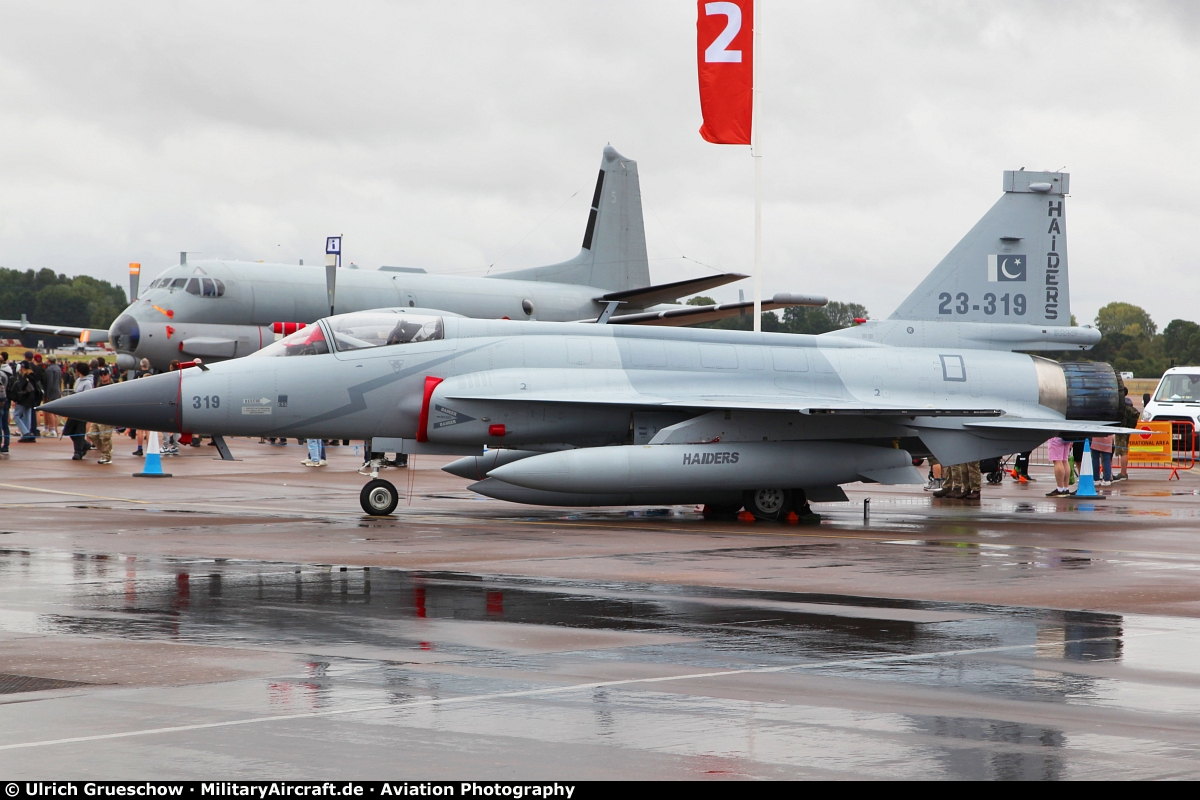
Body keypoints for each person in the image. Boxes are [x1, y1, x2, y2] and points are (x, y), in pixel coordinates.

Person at [63, 362, 93, 460]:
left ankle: (78, 452)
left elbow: (88, 397)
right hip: (74, 409)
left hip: (82, 411)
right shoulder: (78, 380)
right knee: (69, 430)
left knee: (79, 431)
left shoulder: (88, 383)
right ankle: (85, 444)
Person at [86, 367, 115, 464]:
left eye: (105, 374)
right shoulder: (98, 385)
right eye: (101, 375)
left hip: (107, 415)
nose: (103, 376)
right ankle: (105, 451)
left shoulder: (113, 386)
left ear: (108, 374)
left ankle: (106, 456)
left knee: (105, 436)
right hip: (98, 414)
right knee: (91, 434)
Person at [10, 361, 43, 442]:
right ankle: (28, 434)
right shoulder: (33, 376)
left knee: (16, 416)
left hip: (24, 399)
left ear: (22, 367)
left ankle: (26, 433)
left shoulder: (24, 377)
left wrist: (16, 398)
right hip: (32, 398)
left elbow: (21, 388)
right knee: (27, 416)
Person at [1113, 387, 1139, 482]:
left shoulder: (1122, 404)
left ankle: (1123, 473)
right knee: (1123, 451)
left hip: (1122, 430)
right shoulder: (1128, 403)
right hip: (1126, 429)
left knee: (1123, 451)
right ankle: (1123, 472)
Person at [42, 355, 63, 437]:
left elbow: (49, 383)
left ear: (49, 361)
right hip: (57, 390)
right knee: (55, 412)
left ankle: (52, 429)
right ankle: (55, 429)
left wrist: (47, 394)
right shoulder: (58, 368)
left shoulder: (49, 370)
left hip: (51, 392)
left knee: (49, 411)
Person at [0, 360, 9, 454]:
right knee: (5, 425)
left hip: (1, 401)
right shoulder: (5, 374)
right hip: (4, 401)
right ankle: (6, 444)